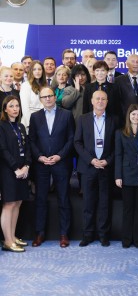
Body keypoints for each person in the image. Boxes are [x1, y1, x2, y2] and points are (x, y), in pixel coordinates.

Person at [29, 87, 75, 248]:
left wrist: (59, 156)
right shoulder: (35, 117)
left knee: (63, 198)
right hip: (41, 164)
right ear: (40, 99)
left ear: (55, 97)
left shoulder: (67, 115)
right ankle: (39, 233)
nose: (48, 99)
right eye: (44, 97)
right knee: (40, 199)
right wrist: (40, 157)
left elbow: (71, 139)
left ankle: (64, 234)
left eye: (50, 96)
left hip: (61, 163)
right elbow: (32, 140)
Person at [74, 90, 116, 247]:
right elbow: (77, 142)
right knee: (88, 203)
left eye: (103, 99)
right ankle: (87, 235)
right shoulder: (82, 119)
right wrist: (91, 160)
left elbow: (116, 146)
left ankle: (104, 235)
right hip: (88, 167)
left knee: (105, 203)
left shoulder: (113, 120)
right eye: (97, 98)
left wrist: (107, 161)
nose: (100, 101)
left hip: (106, 167)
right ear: (91, 101)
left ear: (107, 101)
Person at [115, 104, 138, 249]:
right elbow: (118, 155)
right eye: (133, 114)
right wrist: (118, 175)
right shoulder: (120, 133)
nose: (136, 117)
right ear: (128, 116)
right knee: (128, 209)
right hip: (126, 175)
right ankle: (126, 239)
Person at [0, 96, 31, 252]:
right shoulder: (2, 126)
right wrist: (15, 168)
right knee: (9, 204)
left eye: (17, 105)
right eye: (11, 106)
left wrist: (26, 166)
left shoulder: (20, 126)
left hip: (22, 170)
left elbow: (26, 149)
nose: (15, 108)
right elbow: (3, 150)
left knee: (18, 202)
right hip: (8, 171)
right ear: (5, 109)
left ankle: (12, 236)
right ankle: (7, 240)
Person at [114, 54, 138, 126]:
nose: (135, 64)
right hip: (124, 121)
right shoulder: (118, 80)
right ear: (127, 64)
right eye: (133, 62)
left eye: (137, 62)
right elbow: (116, 102)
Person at [20, 60, 47, 131]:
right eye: (34, 69)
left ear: (42, 71)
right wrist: (31, 123)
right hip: (30, 123)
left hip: (45, 121)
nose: (37, 71)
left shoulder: (46, 86)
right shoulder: (26, 85)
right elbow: (25, 107)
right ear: (31, 71)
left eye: (39, 69)